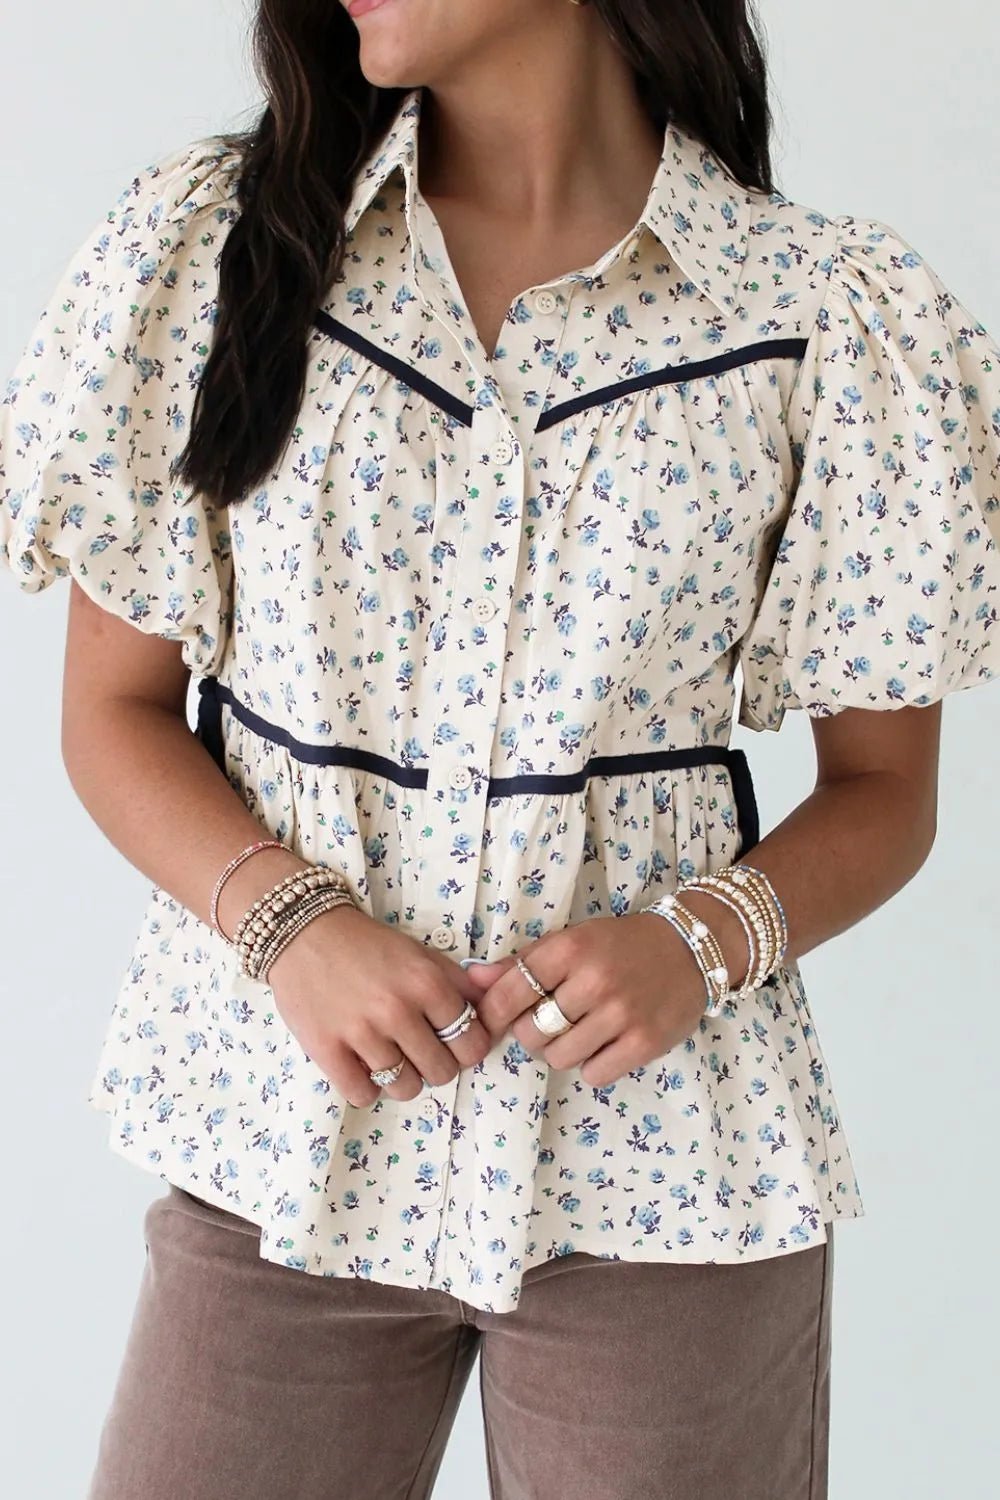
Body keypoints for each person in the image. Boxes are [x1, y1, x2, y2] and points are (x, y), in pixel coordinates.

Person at [2, 1, 999, 1497]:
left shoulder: (821, 316)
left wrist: (698, 943)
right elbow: (110, 712)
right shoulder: (219, 252)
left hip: (666, 1178)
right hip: (282, 1149)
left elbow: (885, 794)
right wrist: (291, 926)